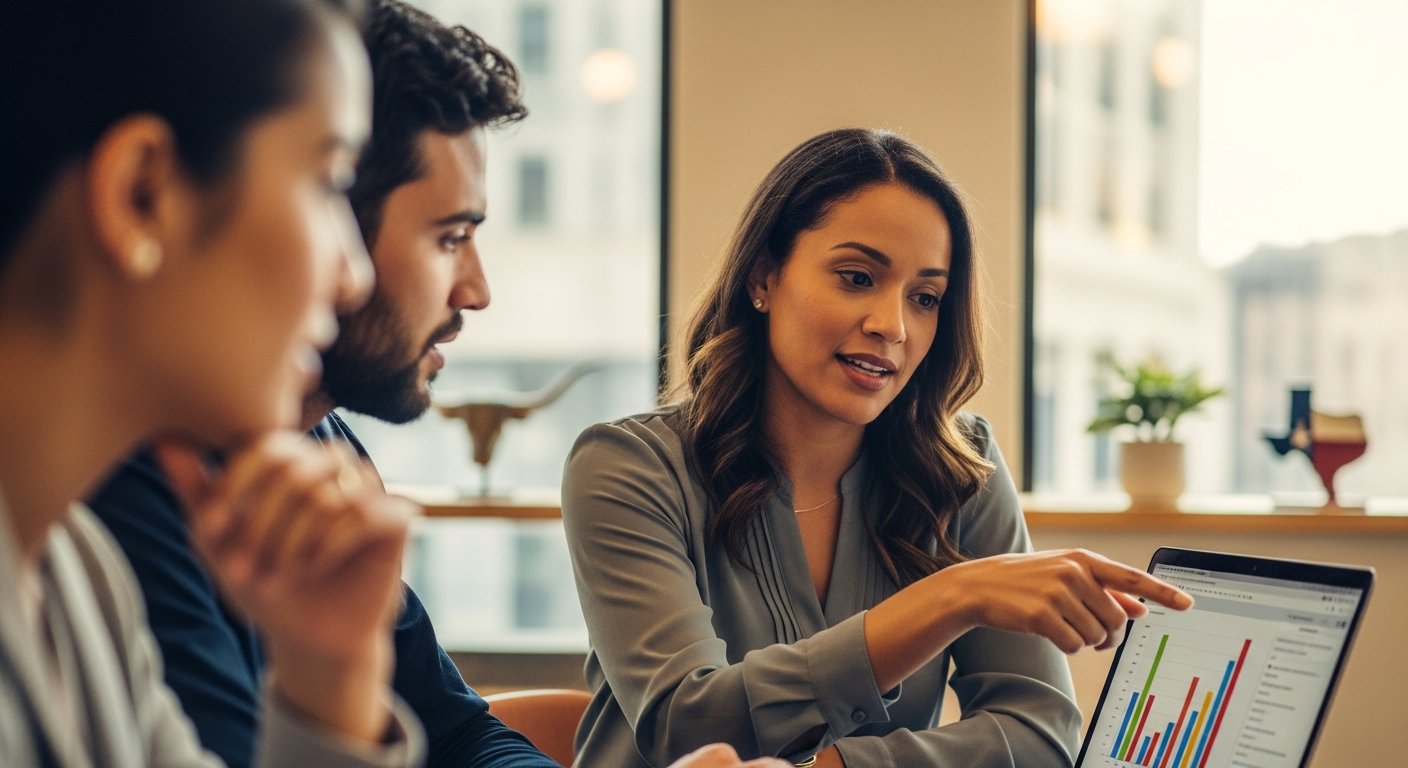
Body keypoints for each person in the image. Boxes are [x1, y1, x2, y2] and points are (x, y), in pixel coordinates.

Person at [81, 4, 788, 768]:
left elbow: (454, 732)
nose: (478, 291)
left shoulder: (318, 445)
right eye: (450, 237)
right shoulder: (115, 498)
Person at [561, 129, 1194, 768]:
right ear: (763, 276)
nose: (892, 325)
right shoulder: (627, 467)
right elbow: (687, 727)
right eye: (857, 277)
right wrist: (950, 598)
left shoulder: (961, 468)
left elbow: (1040, 735)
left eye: (925, 298)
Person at [0, 0, 427, 766]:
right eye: (329, 182)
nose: (353, 276)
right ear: (143, 195)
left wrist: (330, 675)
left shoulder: (78, 577)